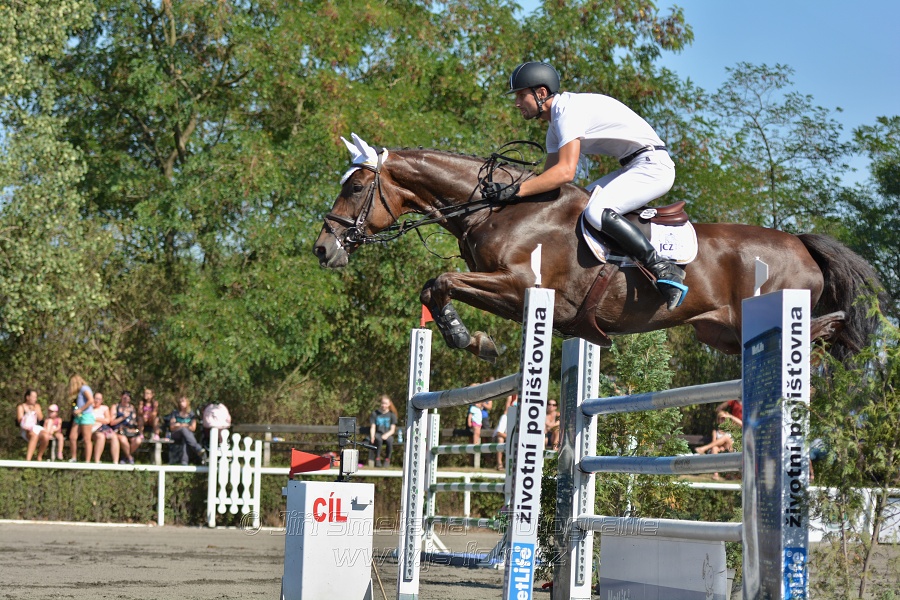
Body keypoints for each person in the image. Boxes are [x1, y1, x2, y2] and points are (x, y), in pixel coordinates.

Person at [485, 61, 687, 310]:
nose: (516, 103)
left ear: (541, 93)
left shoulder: (567, 111)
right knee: (574, 204)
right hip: (633, 165)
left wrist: (516, 191)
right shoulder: (554, 127)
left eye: (520, 94)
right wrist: (510, 198)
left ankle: (662, 267)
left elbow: (566, 172)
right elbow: (548, 181)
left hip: (653, 166)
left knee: (595, 211)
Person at [695, 399, 742, 479]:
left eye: (724, 418)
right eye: (721, 418)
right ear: (718, 420)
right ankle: (716, 475)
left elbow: (742, 424)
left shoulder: (732, 428)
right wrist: (720, 447)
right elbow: (715, 442)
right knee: (715, 447)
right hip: (722, 449)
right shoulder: (715, 431)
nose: (723, 420)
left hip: (731, 449)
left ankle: (703, 448)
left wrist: (730, 416)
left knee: (726, 437)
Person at [167, 396, 207, 465]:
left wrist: (181, 424)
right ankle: (198, 448)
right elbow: (172, 427)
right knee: (183, 430)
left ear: (187, 403)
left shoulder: (191, 414)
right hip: (176, 433)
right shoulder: (175, 413)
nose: (181, 403)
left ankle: (184, 462)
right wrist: (184, 425)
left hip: (187, 435)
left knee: (185, 439)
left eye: (183, 401)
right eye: (180, 402)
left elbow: (193, 428)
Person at [67, 375, 95, 462]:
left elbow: (91, 400)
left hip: (86, 416)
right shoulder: (79, 391)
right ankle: (74, 457)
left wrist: (80, 409)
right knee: (72, 436)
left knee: (87, 439)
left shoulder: (84, 388)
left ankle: (87, 460)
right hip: (79, 417)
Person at [16, 389, 49, 461]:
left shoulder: (37, 406)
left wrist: (36, 410)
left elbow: (40, 418)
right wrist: (28, 414)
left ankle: (39, 456)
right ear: (27, 397)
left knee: (46, 436)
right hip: (25, 428)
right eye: (33, 397)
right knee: (34, 436)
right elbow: (19, 420)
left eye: (36, 397)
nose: (35, 399)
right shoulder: (21, 407)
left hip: (35, 427)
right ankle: (28, 459)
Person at [111, 391, 142, 464]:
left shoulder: (132, 408)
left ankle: (126, 457)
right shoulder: (115, 407)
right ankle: (129, 457)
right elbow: (112, 422)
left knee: (138, 440)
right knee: (123, 440)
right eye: (124, 398)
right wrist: (123, 417)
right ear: (121, 397)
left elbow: (134, 421)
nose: (126, 400)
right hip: (119, 430)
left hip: (130, 430)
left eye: (128, 398)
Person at [90, 392, 120, 463]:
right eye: (96, 398)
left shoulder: (104, 408)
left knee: (114, 437)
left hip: (103, 428)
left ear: (102, 400)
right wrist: (100, 420)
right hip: (92, 430)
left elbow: (107, 420)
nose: (97, 400)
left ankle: (115, 462)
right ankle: (97, 460)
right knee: (101, 437)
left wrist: (95, 419)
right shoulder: (88, 408)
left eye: (99, 399)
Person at [369, 395, 398, 467]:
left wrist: (386, 435)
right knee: (378, 439)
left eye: (385, 403)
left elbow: (392, 430)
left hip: (388, 434)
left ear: (389, 404)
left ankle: (387, 459)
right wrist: (372, 437)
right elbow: (373, 427)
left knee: (390, 440)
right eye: (382, 403)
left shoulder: (392, 415)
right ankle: (377, 459)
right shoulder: (375, 414)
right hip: (378, 434)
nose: (384, 405)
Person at [493, 393, 518, 470]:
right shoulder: (505, 417)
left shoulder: (519, 420)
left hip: (510, 438)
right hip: (502, 437)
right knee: (500, 439)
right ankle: (499, 464)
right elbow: (499, 433)